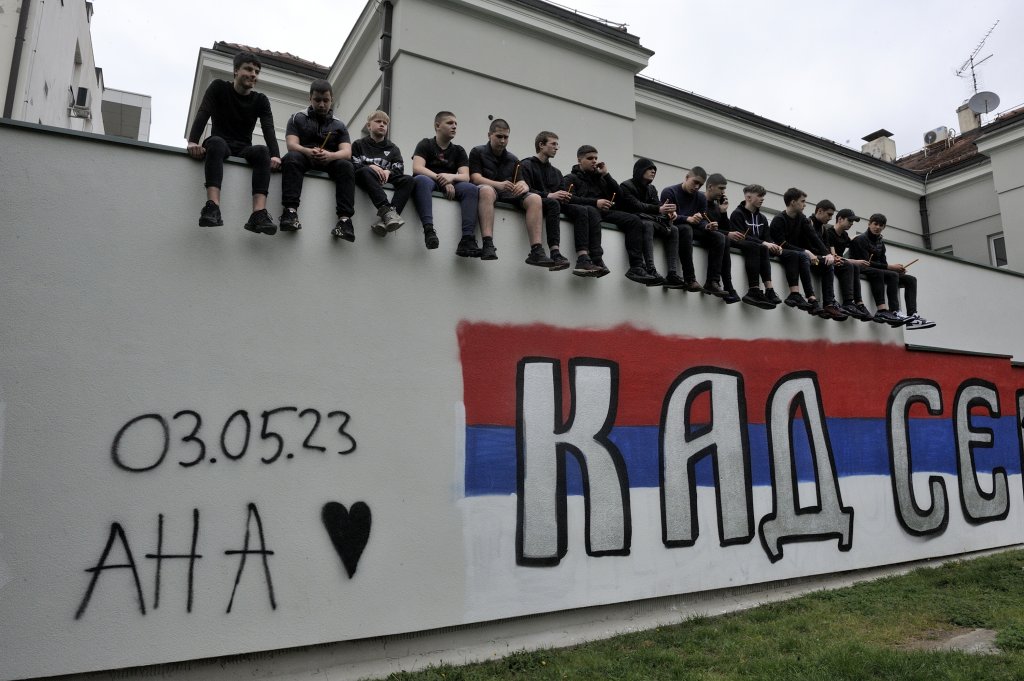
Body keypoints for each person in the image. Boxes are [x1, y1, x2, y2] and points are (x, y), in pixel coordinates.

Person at [186, 51, 281, 235]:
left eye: (257, 71)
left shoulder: (260, 100)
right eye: (249, 69)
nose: (253, 74)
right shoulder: (219, 87)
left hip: (243, 147)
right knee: (216, 143)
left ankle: (258, 214)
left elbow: (268, 129)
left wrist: (276, 155)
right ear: (236, 70)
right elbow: (204, 111)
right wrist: (192, 142)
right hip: (220, 143)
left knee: (263, 151)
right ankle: (213, 207)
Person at [278, 79, 355, 240]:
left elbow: (347, 152)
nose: (321, 104)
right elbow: (291, 145)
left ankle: (345, 221)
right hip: (304, 157)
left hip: (330, 161)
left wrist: (331, 155)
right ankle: (290, 212)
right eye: (317, 100)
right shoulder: (297, 118)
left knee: (346, 166)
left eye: (326, 100)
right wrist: (307, 151)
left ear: (332, 99)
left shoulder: (339, 125)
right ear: (310, 99)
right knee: (292, 157)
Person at [565, 146, 655, 283]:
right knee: (593, 211)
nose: (594, 161)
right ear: (579, 160)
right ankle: (596, 260)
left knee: (634, 220)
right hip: (588, 212)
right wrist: (595, 202)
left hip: (603, 213)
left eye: (596, 158)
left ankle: (636, 266)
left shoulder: (600, 179)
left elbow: (621, 197)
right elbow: (569, 199)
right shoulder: (570, 178)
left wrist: (606, 175)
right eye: (590, 158)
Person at [469, 118, 547, 264]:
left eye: (506, 137)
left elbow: (521, 181)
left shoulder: (513, 159)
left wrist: (523, 186)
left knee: (535, 198)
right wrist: (498, 185)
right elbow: (475, 178)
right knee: (487, 190)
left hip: (507, 194)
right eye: (499, 136)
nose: (503, 141)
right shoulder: (477, 151)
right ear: (489, 135)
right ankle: (488, 244)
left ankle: (536, 250)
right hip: (489, 191)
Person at [849, 213, 937, 329]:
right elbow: (865, 263)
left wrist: (896, 270)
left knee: (910, 279)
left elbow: (883, 263)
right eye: (875, 224)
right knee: (892, 274)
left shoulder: (880, 242)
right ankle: (895, 311)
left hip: (879, 271)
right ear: (869, 224)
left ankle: (912, 316)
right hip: (863, 269)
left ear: (884, 227)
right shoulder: (860, 239)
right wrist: (891, 268)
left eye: (881, 225)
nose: (878, 227)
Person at [411, 111, 480, 255]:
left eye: (456, 124)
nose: (454, 126)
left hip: (451, 183)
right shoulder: (425, 144)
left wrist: (450, 177)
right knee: (420, 180)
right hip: (430, 180)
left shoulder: (459, 150)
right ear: (437, 126)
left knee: (471, 188)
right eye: (450, 123)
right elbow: (417, 168)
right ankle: (429, 230)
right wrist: (442, 179)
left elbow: (465, 177)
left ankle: (467, 239)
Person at [617, 158, 688, 288]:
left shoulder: (651, 188)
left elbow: (657, 206)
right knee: (647, 224)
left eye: (654, 169)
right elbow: (635, 205)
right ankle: (651, 269)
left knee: (674, 229)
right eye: (650, 169)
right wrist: (659, 209)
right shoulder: (626, 186)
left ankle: (672, 274)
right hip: (636, 221)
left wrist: (669, 213)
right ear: (640, 170)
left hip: (649, 220)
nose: (653, 171)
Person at [660, 167, 728, 297]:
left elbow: (701, 221)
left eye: (700, 185)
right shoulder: (669, 191)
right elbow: (666, 217)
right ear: (687, 178)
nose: (697, 187)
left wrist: (707, 226)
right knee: (686, 228)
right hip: (674, 227)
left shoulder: (701, 198)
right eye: (695, 182)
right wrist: (688, 219)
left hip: (692, 229)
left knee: (719, 237)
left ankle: (712, 281)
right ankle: (690, 279)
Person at [516, 131, 574, 272]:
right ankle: (554, 252)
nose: (556, 148)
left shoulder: (557, 172)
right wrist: (550, 195)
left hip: (551, 205)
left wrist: (564, 197)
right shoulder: (526, 164)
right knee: (553, 203)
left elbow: (560, 193)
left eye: (557, 144)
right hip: (533, 202)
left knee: (580, 210)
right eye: (553, 144)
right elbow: (525, 190)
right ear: (541, 145)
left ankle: (567, 255)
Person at [351, 110, 410, 238]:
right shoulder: (358, 144)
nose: (382, 124)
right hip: (366, 177)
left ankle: (387, 220)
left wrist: (388, 171)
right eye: (378, 121)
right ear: (369, 126)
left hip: (385, 178)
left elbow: (399, 168)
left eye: (385, 123)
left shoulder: (393, 148)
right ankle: (386, 210)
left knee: (409, 179)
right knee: (365, 170)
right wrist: (371, 167)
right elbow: (353, 165)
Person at [768, 188, 826, 315]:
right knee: (802, 255)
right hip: (781, 252)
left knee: (826, 263)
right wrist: (806, 251)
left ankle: (820, 301)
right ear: (793, 202)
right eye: (802, 201)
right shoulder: (779, 219)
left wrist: (828, 255)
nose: (805, 204)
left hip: (798, 254)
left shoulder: (801, 218)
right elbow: (782, 244)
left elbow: (814, 237)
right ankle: (806, 296)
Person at [728, 184, 781, 309]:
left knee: (763, 247)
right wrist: (763, 243)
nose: (762, 199)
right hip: (742, 244)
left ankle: (769, 289)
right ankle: (753, 289)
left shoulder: (762, 218)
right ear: (748, 197)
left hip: (756, 247)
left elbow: (767, 238)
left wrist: (775, 246)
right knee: (757, 246)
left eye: (763, 196)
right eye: (759, 196)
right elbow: (741, 236)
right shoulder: (737, 214)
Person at [824, 209, 875, 322]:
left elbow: (850, 241)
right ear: (840, 219)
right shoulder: (829, 233)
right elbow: (834, 256)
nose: (851, 224)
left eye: (853, 222)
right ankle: (848, 302)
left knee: (854, 266)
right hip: (831, 263)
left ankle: (859, 303)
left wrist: (861, 238)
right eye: (849, 221)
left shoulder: (844, 235)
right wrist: (855, 261)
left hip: (840, 263)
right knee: (850, 265)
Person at [804, 199, 848, 320]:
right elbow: (807, 244)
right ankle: (828, 303)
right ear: (819, 211)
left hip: (818, 259)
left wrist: (831, 257)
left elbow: (826, 248)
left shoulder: (823, 228)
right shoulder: (808, 222)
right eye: (829, 214)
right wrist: (826, 256)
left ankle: (830, 303)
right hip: (808, 257)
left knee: (834, 263)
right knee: (828, 264)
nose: (830, 218)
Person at [702, 175, 741, 303]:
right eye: (721, 188)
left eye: (724, 189)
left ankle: (727, 285)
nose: (723, 192)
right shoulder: (699, 200)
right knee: (722, 237)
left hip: (715, 238)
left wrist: (723, 212)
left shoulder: (716, 206)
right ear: (710, 187)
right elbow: (701, 225)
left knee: (725, 239)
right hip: (700, 233)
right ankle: (713, 281)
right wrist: (727, 234)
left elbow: (725, 229)